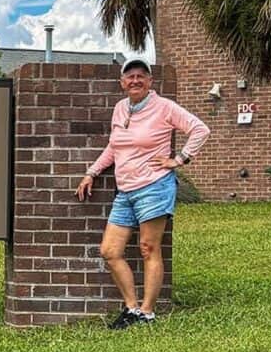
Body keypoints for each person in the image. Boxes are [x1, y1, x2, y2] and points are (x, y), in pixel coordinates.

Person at [76, 59, 210, 330]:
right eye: (130, 76)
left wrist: (180, 159)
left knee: (148, 248)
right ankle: (131, 307)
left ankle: (147, 312)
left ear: (150, 81)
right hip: (124, 190)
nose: (135, 80)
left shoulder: (163, 107)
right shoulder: (120, 109)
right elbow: (115, 148)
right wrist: (92, 172)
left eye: (141, 76)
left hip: (154, 186)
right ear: (122, 83)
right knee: (110, 251)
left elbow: (200, 129)